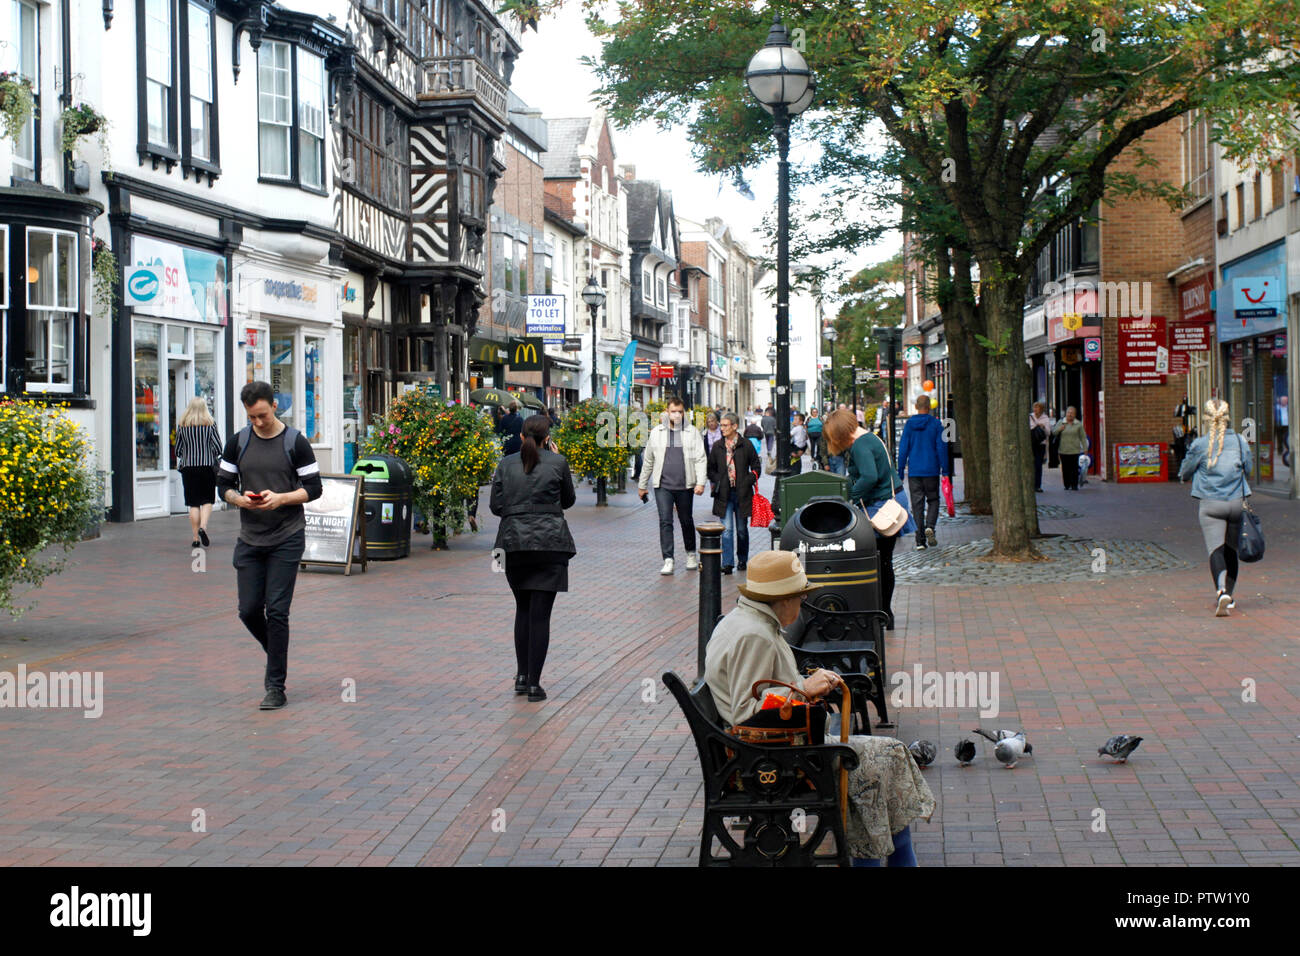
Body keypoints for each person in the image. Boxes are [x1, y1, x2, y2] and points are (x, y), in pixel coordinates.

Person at [704, 550, 936, 865]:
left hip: (774, 749)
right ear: (783, 599)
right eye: (800, 597)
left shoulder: (750, 622)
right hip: (770, 759)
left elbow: (763, 694)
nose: (801, 605)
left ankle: (894, 861)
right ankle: (892, 862)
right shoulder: (754, 635)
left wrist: (804, 686)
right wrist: (803, 689)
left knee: (888, 757)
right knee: (881, 762)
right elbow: (747, 712)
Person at [216, 381, 323, 710]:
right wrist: (239, 500)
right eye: (252, 417)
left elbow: (314, 488)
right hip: (250, 538)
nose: (258, 422)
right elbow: (223, 485)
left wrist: (282, 499)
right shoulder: (239, 442)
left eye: (262, 415)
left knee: (276, 612)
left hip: (287, 536)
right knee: (248, 610)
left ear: (275, 406)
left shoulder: (296, 443)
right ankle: (277, 651)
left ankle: (275, 686)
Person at [490, 414, 577, 701]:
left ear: (522, 436)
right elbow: (568, 501)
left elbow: (495, 506)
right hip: (550, 543)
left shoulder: (505, 464)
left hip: (511, 544)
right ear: (546, 437)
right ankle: (534, 685)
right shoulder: (558, 462)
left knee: (523, 609)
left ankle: (522, 676)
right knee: (540, 615)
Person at [824, 408, 915, 631]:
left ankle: (881, 612)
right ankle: (884, 612)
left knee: (879, 561)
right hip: (890, 502)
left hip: (881, 505)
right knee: (884, 560)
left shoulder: (860, 446)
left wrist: (849, 496)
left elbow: (869, 477)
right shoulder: (871, 438)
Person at [1179, 399, 1252, 617]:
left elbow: (1184, 472)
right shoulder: (1240, 441)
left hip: (1210, 504)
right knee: (1231, 549)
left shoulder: (1200, 445)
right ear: (1228, 417)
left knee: (1215, 550)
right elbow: (1248, 469)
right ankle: (1230, 597)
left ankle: (1221, 592)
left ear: (1206, 418)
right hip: (1236, 503)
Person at [638, 395, 709, 575]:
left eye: (680, 412)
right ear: (666, 412)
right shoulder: (657, 432)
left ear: (684, 413)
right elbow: (648, 460)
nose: (676, 415)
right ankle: (668, 559)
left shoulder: (692, 432)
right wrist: (642, 484)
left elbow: (701, 458)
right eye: (673, 412)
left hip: (685, 485)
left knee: (686, 520)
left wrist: (700, 482)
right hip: (663, 485)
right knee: (665, 521)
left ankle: (691, 553)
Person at [707, 411, 761, 574]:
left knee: (741, 530)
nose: (721, 428)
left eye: (724, 425)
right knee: (727, 529)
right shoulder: (718, 446)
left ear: (735, 426)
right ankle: (728, 563)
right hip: (724, 494)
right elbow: (710, 469)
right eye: (720, 425)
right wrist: (719, 480)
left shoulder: (746, 445)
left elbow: (756, 467)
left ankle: (742, 559)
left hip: (742, 494)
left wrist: (747, 481)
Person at [897, 395, 949, 550]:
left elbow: (903, 449)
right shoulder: (936, 424)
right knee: (933, 500)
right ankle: (930, 527)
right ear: (929, 407)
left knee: (917, 505)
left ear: (916, 407)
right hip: (931, 469)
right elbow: (941, 448)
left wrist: (900, 471)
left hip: (914, 471)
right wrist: (945, 469)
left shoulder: (909, 425)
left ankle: (919, 541)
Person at [174, 396, 223, 548]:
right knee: (207, 500)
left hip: (188, 468)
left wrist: (188, 454)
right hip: (207, 466)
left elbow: (178, 451)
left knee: (193, 503)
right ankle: (203, 527)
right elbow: (218, 448)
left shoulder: (182, 426)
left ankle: (195, 538)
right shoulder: (210, 425)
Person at [1052, 407, 1087, 490]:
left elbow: (1083, 437)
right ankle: (1067, 485)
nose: (1070, 414)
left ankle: (1074, 485)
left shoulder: (1078, 424)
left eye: (1072, 413)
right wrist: (1060, 429)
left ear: (1075, 414)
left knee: (1074, 468)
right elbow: (1054, 432)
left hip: (1074, 450)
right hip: (1063, 450)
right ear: (1066, 413)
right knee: (1065, 468)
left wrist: (1085, 449)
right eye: (1068, 412)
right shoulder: (1061, 422)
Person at [1029, 401, 1052, 493]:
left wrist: (1043, 427)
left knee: (1038, 464)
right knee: (1031, 464)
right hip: (1031, 443)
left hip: (1040, 444)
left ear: (1041, 409)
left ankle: (1037, 485)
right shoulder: (1030, 417)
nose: (1035, 410)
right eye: (1034, 408)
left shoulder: (1045, 418)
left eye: (1037, 408)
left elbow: (1048, 433)